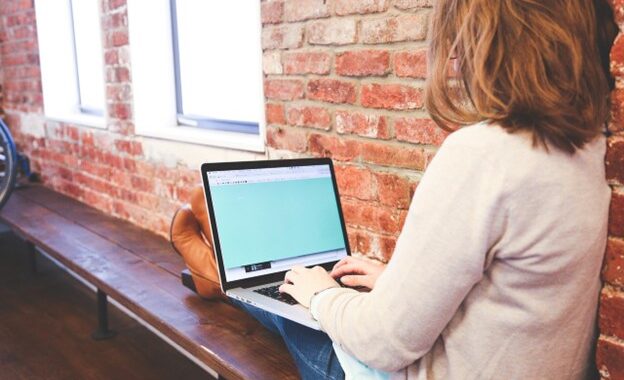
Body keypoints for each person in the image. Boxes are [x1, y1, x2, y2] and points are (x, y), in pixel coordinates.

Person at [170, 0, 618, 378]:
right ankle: (226, 272)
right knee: (309, 287)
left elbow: (385, 345)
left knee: (294, 307)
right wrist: (397, 285)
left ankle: (215, 272)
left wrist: (322, 294)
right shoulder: (594, 150)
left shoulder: (483, 155)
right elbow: (513, 294)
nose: (455, 54)